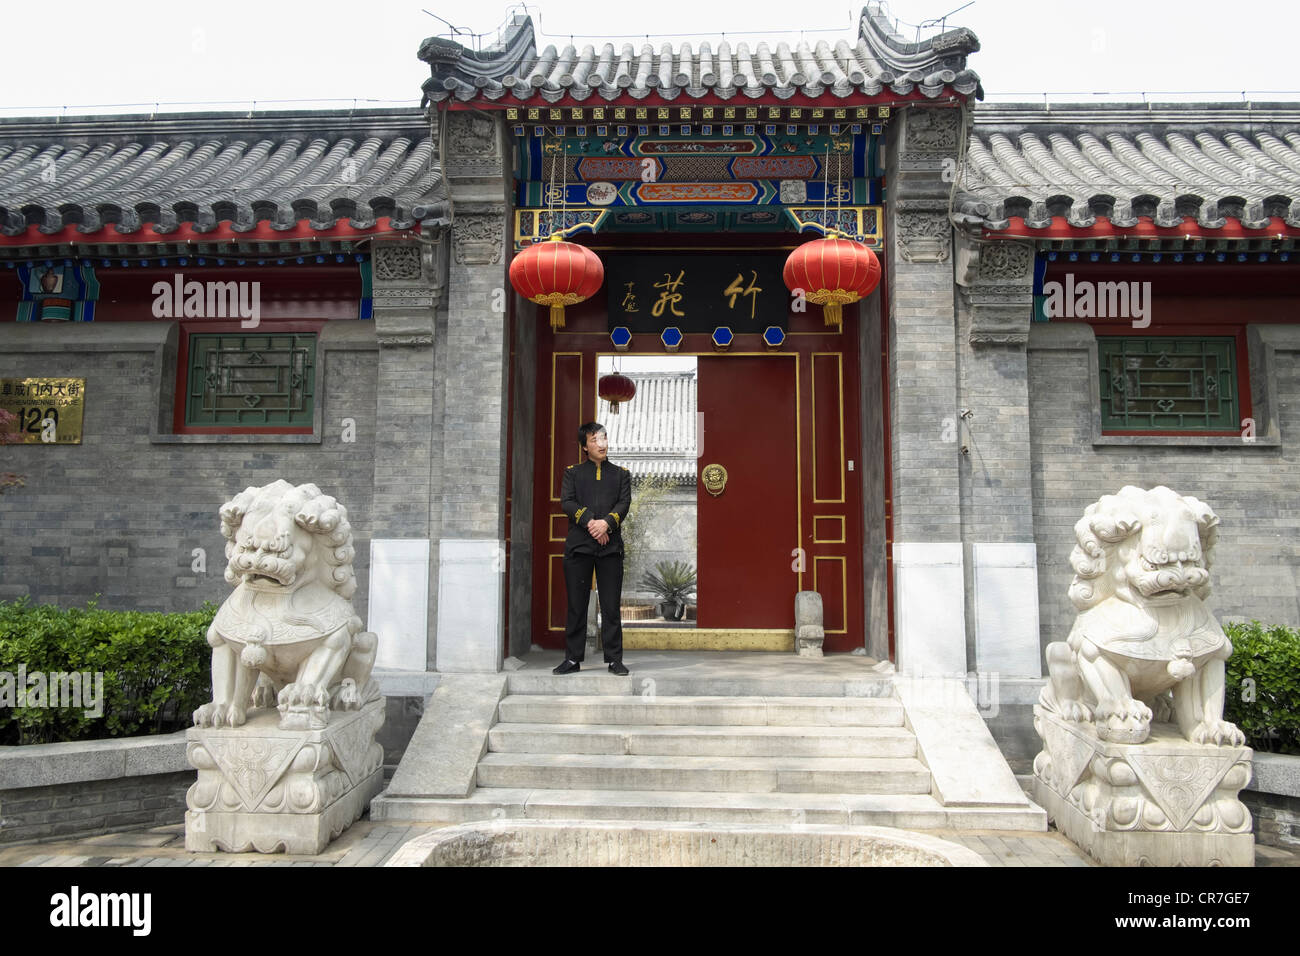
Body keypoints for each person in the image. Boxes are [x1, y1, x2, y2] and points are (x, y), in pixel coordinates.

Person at [555, 421, 632, 676]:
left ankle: (614, 659)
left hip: (610, 548)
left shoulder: (621, 474)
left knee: (611, 605)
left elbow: (624, 504)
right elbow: (567, 502)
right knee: (577, 604)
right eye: (595, 440)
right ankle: (573, 659)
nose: (602, 444)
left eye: (604, 438)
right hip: (580, 548)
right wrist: (590, 521)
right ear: (584, 446)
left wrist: (607, 524)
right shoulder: (573, 473)